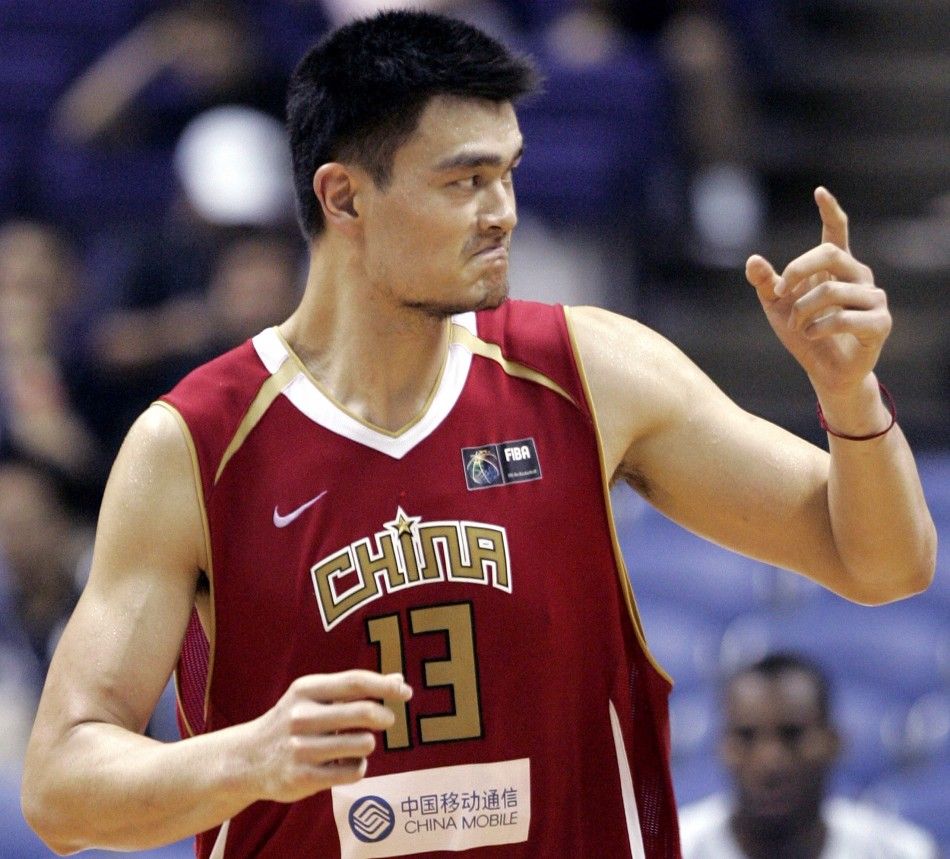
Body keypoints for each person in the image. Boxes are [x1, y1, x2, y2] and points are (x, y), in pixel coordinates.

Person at [21, 10, 936, 859]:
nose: (501, 211)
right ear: (343, 198)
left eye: (508, 173)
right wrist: (247, 759)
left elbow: (881, 564)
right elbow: (60, 787)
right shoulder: (192, 443)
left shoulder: (592, 370)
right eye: (464, 180)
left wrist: (850, 395)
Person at [678, 652, 940, 859]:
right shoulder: (669, 850)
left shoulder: (900, 852)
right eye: (746, 737)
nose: (769, 762)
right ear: (721, 747)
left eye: (793, 735)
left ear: (834, 742)